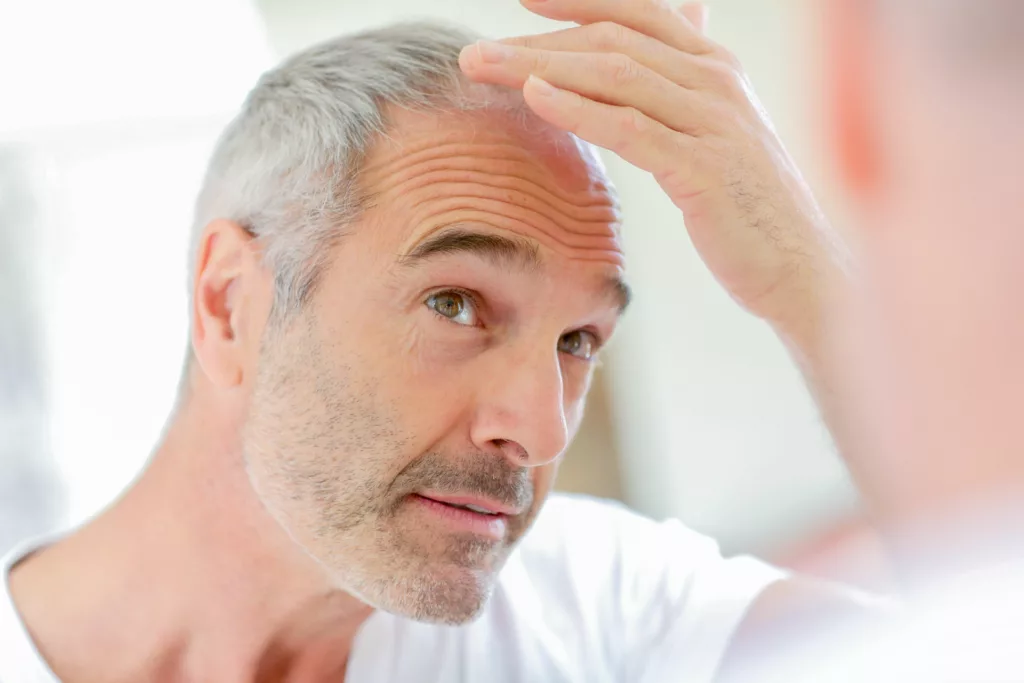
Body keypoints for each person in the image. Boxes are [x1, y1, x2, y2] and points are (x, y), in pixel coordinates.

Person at [0, 2, 861, 681]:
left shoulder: (603, 609)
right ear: (230, 304)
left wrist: (809, 283)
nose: (543, 430)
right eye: (454, 302)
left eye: (578, 339)